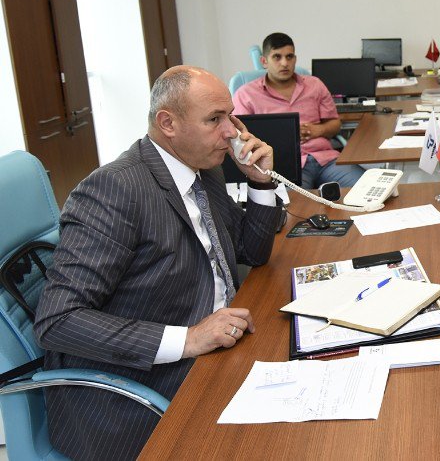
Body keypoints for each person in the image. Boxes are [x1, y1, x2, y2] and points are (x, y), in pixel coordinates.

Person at [34, 66, 282, 461]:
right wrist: (189, 339)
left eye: (229, 117)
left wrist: (260, 182)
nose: (232, 132)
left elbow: (250, 253)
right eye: (215, 120)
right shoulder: (115, 189)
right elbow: (57, 320)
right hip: (141, 385)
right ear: (168, 123)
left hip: (222, 339)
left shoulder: (204, 168)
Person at [233, 32, 364, 188]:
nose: (284, 63)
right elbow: (240, 138)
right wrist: (283, 136)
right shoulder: (246, 94)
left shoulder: (315, 85)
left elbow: (335, 124)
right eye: (277, 57)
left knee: (368, 189)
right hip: (282, 165)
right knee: (297, 208)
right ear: (264, 61)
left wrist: (317, 130)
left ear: (295, 59)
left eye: (289, 57)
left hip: (325, 159)